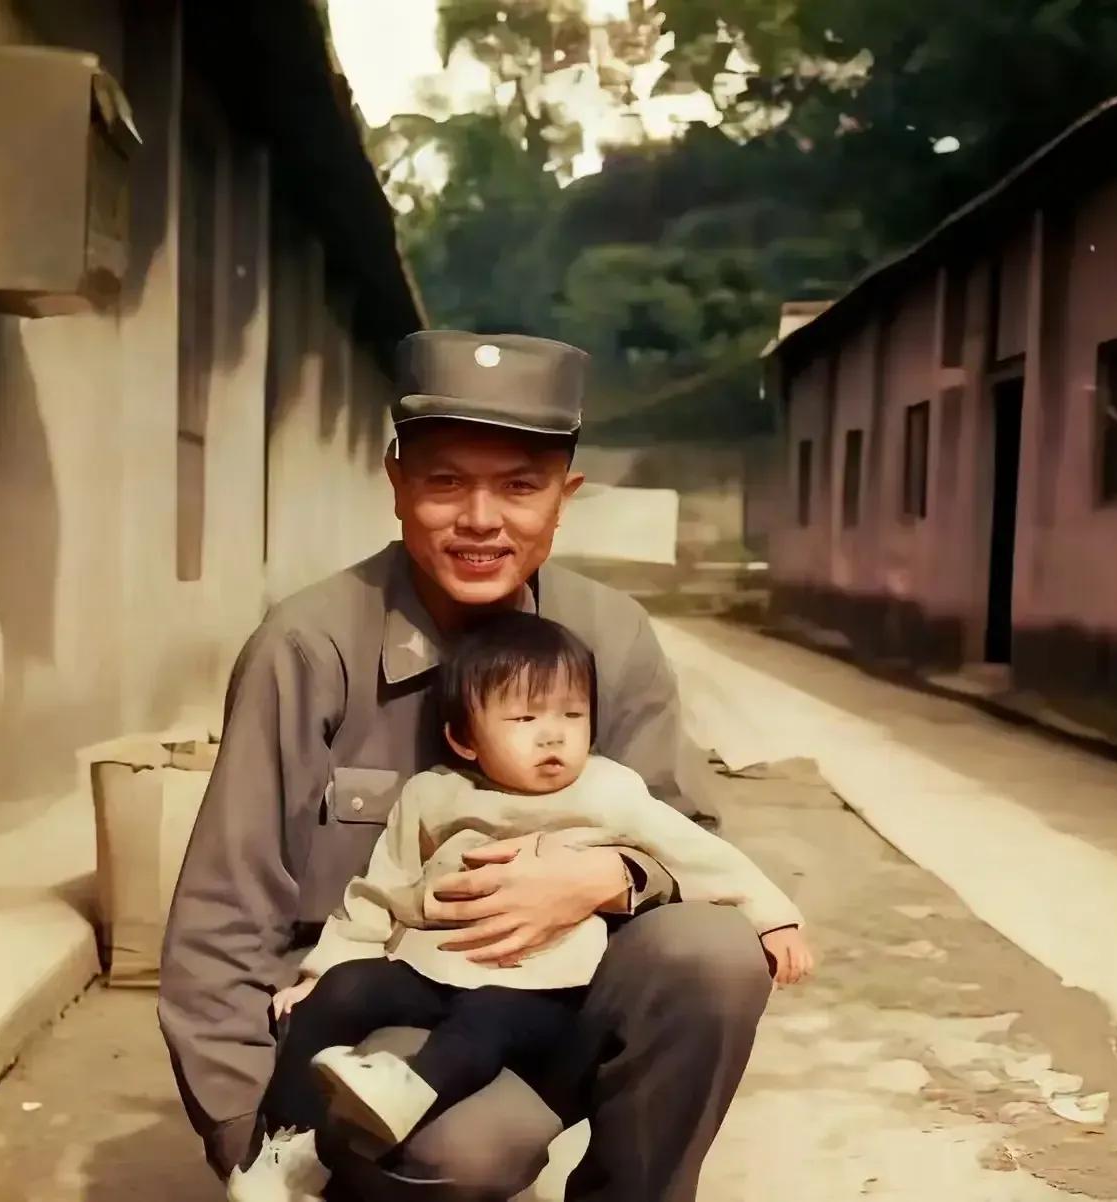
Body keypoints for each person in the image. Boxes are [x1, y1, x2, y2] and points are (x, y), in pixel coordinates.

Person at [159, 330, 785, 1202]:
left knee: (715, 953)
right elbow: (224, 913)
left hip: (555, 995)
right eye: (446, 481)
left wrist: (608, 876)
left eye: (521, 486)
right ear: (397, 485)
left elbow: (693, 840)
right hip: (387, 1012)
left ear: (564, 498)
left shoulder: (610, 636)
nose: (482, 519)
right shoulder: (309, 646)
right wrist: (251, 1138)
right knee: (449, 1152)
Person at [227, 613, 812, 1200]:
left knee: (486, 1022)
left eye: (572, 716)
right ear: (464, 738)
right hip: (433, 972)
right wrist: (320, 974)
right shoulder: (433, 794)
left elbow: (697, 853)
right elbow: (377, 892)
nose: (552, 735)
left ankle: (409, 1086)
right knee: (344, 991)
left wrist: (773, 915)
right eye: (525, 719)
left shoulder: (608, 792)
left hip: (542, 995)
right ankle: (287, 1146)